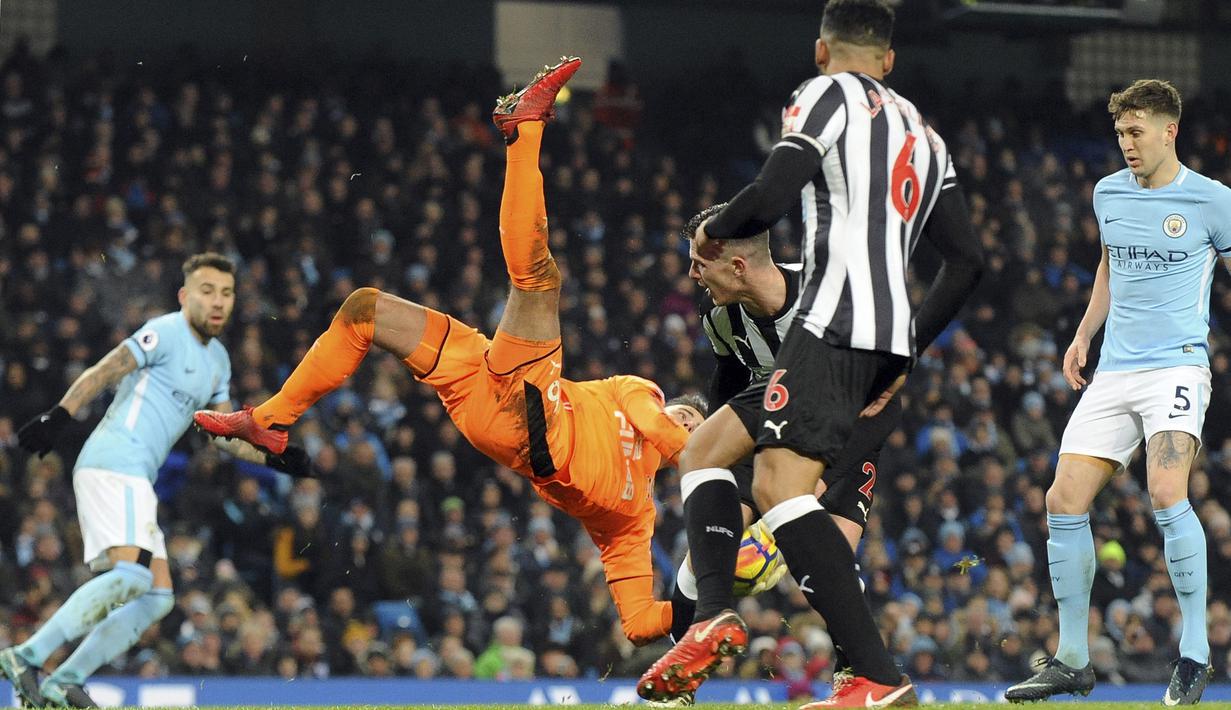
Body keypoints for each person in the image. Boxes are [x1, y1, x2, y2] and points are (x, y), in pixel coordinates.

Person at [194, 58, 706, 648]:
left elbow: (640, 624)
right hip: (492, 383)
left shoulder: (635, 518)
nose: (683, 425)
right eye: (686, 416)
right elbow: (660, 427)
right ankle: (269, 421)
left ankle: (524, 130)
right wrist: (715, 469)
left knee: (539, 282)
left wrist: (699, 604)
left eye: (694, 427)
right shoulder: (640, 396)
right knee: (365, 309)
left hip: (531, 425)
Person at [637, 1, 983, 707]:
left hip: (830, 321)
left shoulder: (824, 96)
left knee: (777, 490)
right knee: (705, 450)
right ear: (889, 59)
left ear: (822, 51)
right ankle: (713, 617)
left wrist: (717, 229)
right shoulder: (926, 135)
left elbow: (769, 195)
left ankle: (873, 674)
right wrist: (908, 349)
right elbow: (969, 261)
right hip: (883, 334)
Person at [1005, 79, 1230, 706]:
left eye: (1137, 132)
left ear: (1169, 131)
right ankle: (1073, 661)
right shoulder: (1108, 192)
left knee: (1166, 491)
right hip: (1114, 372)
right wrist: (1084, 335)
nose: (1127, 144)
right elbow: (1110, 265)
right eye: (1120, 133)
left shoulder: (1212, 201)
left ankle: (1195, 653)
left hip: (1177, 369)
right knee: (1062, 499)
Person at [0, 253, 309, 709]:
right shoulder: (165, 331)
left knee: (157, 596)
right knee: (130, 576)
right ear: (185, 296)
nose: (217, 302)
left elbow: (220, 435)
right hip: (114, 461)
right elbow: (107, 369)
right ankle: (27, 656)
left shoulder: (219, 361)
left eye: (226, 293)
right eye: (207, 291)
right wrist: (60, 415)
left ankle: (65, 680)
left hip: (135, 475)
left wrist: (275, 459)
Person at [666, 204, 903, 649]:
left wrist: (819, 483)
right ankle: (683, 660)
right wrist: (720, 449)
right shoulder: (717, 313)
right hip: (766, 425)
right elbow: (728, 376)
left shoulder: (826, 302)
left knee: (829, 562)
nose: (693, 275)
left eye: (699, 264)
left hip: (848, 433)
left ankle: (861, 672)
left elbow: (885, 408)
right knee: (707, 552)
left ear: (737, 266)